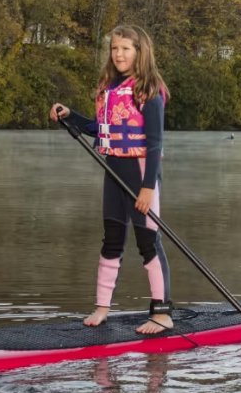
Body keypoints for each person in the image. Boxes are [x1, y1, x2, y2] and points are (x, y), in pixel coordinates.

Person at [50, 24, 172, 335]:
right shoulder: (109, 89)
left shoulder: (149, 90)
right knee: (112, 240)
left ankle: (162, 314)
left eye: (125, 49)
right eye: (115, 48)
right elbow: (99, 129)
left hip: (140, 172)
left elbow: (155, 143)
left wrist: (147, 188)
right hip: (114, 170)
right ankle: (102, 308)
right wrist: (69, 115)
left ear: (139, 52)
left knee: (148, 242)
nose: (118, 54)